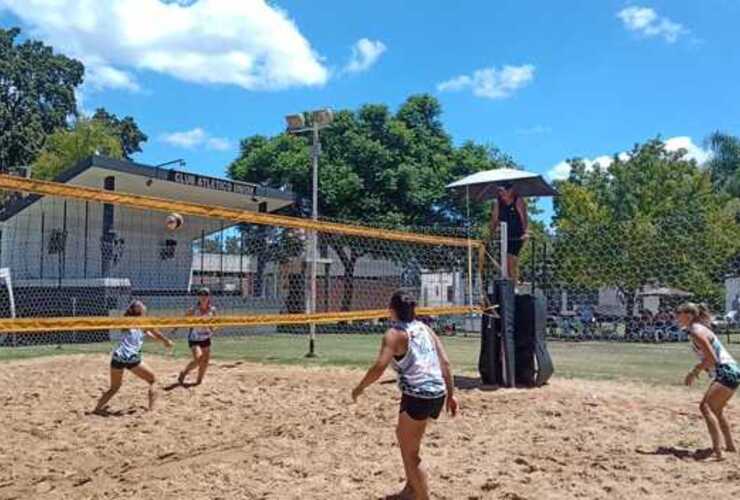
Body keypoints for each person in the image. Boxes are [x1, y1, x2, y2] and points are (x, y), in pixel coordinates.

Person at [352, 290, 458, 500]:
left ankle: (421, 496)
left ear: (391, 310)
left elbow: (379, 367)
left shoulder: (394, 334)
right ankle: (411, 488)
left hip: (419, 395)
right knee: (404, 437)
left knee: (412, 454)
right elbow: (445, 362)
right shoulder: (426, 329)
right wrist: (451, 395)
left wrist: (360, 387)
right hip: (436, 392)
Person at [676, 302, 740, 460]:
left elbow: (712, 358)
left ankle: (718, 452)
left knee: (705, 407)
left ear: (689, 315)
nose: (676, 317)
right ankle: (730, 446)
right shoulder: (697, 329)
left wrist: (694, 371)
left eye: (679, 313)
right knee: (716, 410)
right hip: (731, 371)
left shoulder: (697, 331)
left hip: (726, 372)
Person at [93, 300, 173, 414]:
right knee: (153, 380)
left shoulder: (127, 321)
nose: (145, 307)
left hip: (117, 357)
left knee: (114, 388)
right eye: (143, 306)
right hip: (131, 357)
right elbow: (156, 333)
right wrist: (166, 341)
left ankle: (97, 408)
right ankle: (151, 410)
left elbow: (147, 333)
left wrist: (161, 341)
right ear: (140, 310)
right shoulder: (144, 322)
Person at [490, 181, 529, 283]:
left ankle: (514, 285)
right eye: (499, 192)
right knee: (504, 262)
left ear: (510, 190)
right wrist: (490, 235)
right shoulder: (497, 203)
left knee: (511, 259)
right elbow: (494, 220)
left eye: (503, 191)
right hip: (504, 235)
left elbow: (524, 218)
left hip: (517, 235)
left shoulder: (518, 200)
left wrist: (525, 232)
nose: (501, 194)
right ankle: (509, 284)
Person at [178, 287, 216, 386]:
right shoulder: (193, 310)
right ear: (198, 297)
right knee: (199, 359)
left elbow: (214, 322)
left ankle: (199, 381)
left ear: (209, 297)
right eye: (201, 295)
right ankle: (184, 372)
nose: (203, 297)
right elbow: (182, 319)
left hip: (206, 337)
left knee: (206, 361)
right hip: (194, 338)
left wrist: (212, 329)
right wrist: (175, 328)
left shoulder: (212, 310)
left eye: (206, 295)